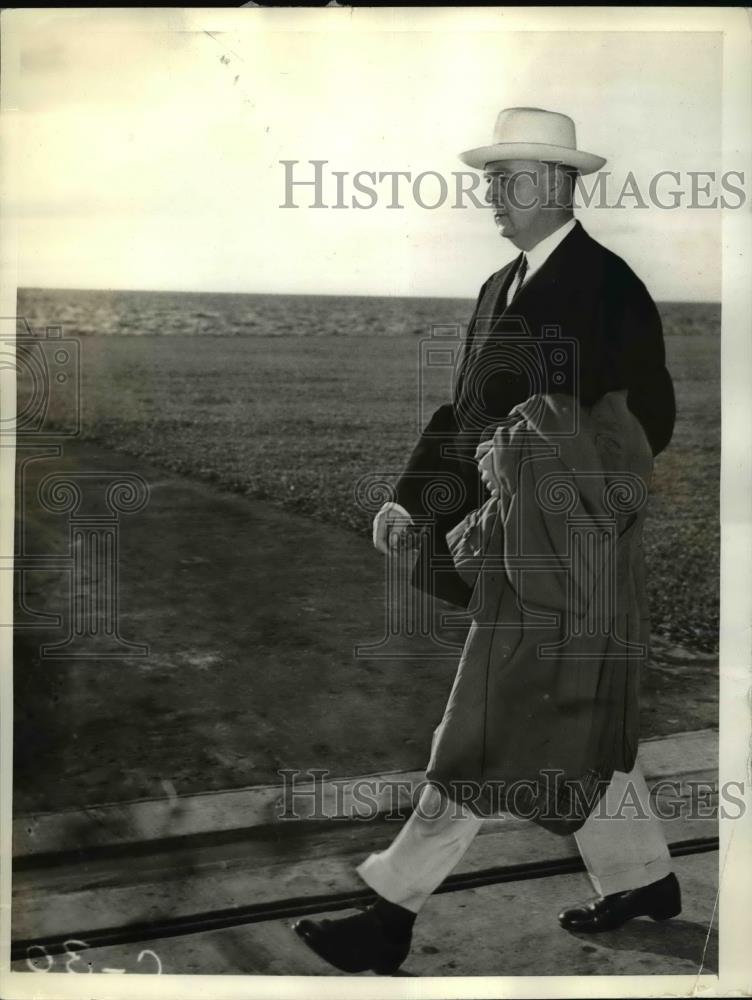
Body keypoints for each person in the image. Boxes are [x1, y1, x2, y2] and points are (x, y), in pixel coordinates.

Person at [293, 107, 678, 975]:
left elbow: (648, 422)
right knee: (578, 720)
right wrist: (410, 496)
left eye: (504, 181)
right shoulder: (498, 285)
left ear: (552, 183)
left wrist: (554, 469)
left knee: (481, 724)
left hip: (566, 554)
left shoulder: (609, 286)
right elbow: (465, 413)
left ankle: (388, 911)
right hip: (509, 543)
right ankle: (645, 878)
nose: (490, 196)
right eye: (490, 180)